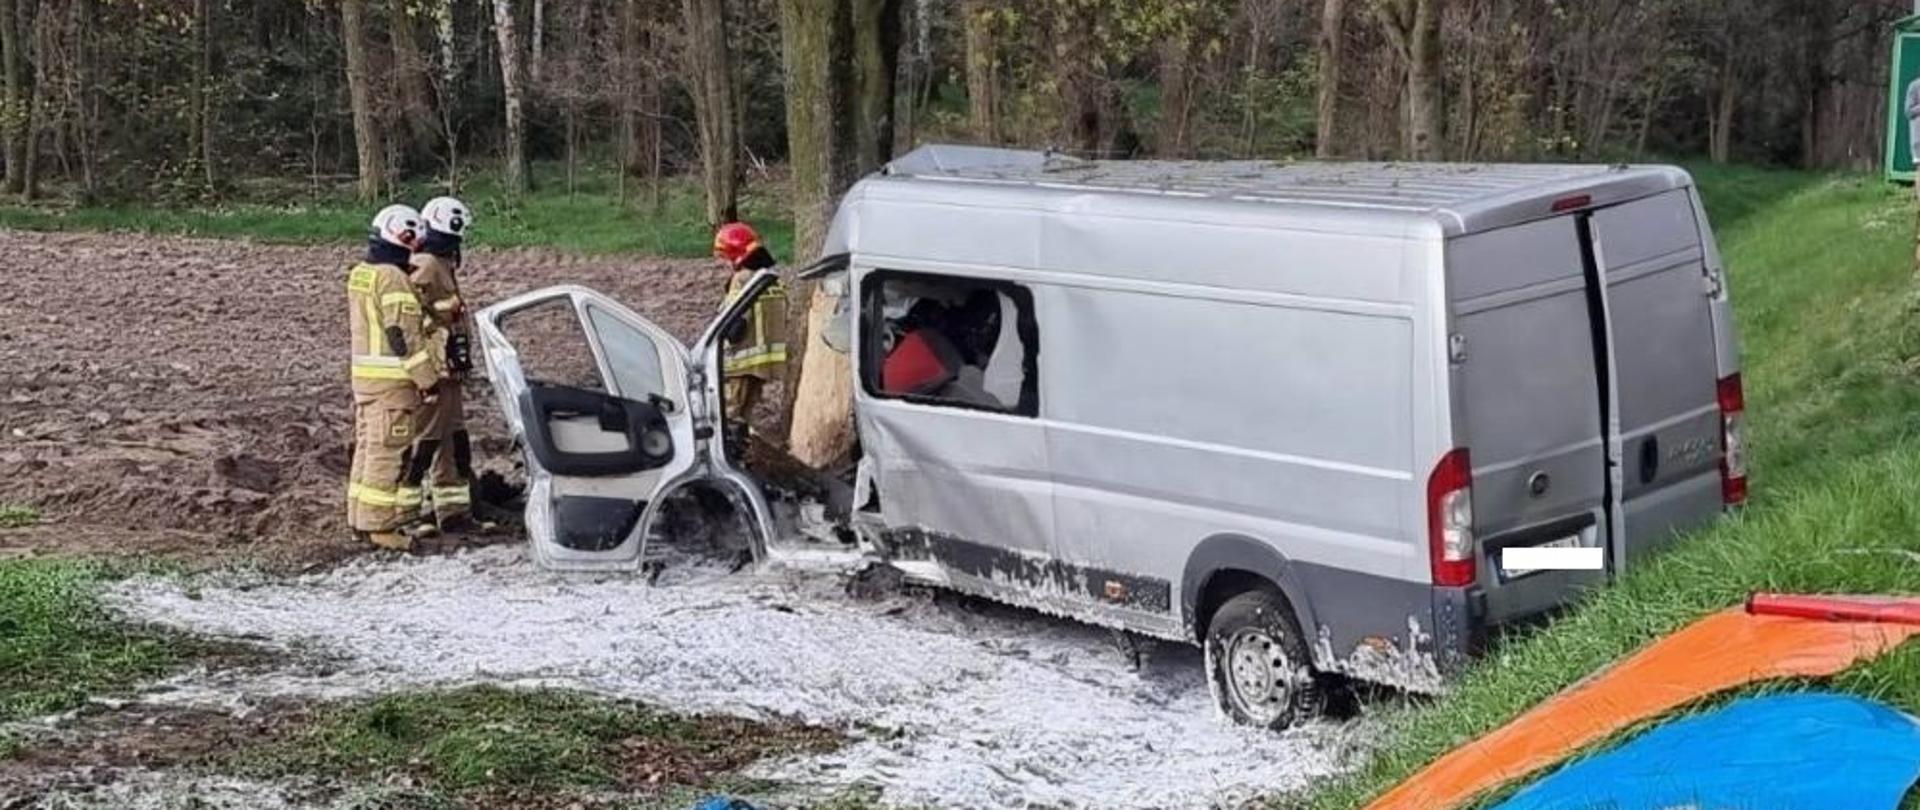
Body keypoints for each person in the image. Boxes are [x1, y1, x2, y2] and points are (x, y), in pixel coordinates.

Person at [345, 204, 447, 551]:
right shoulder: (393, 277)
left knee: (368, 449)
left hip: (366, 382)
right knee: (388, 453)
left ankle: (359, 519)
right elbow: (403, 335)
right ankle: (380, 528)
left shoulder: (362, 273)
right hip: (392, 384)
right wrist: (427, 379)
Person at [401, 196, 487, 533]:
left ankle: (453, 513)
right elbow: (410, 318)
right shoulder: (425, 265)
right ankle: (408, 513)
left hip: (449, 370)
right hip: (434, 371)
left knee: (455, 439)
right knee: (426, 440)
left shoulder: (442, 263)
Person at [711, 222, 788, 443]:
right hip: (764, 364)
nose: (724, 263)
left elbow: (733, 323)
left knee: (728, 416)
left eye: (724, 257)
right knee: (746, 414)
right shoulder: (773, 280)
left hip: (741, 362)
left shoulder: (742, 279)